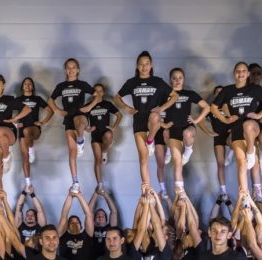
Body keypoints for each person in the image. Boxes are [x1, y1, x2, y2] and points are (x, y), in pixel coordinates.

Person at [210, 62, 262, 198]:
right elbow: (213, 107)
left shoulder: (254, 89)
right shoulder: (227, 90)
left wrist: (259, 115)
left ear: (248, 73)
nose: (241, 73)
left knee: (248, 126)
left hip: (252, 127)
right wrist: (225, 119)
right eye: (238, 71)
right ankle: (244, 196)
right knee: (241, 163)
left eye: (244, 71)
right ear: (234, 73)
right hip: (237, 129)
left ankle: (251, 153)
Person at [115, 51, 178, 188]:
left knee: (155, 116)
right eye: (141, 64)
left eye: (147, 64)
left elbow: (175, 96)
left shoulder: (157, 81)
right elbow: (117, 97)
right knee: (143, 159)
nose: (144, 67)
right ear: (137, 66)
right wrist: (127, 108)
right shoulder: (132, 82)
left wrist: (161, 108)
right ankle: (147, 190)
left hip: (152, 120)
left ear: (151, 65)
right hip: (139, 121)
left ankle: (150, 140)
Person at [160, 68, 211, 193]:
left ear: (184, 79)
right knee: (177, 162)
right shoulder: (164, 95)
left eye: (180, 78)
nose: (177, 80)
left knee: (187, 134)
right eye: (174, 78)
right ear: (170, 80)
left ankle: (188, 150)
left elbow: (207, 107)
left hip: (187, 126)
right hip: (173, 130)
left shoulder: (189, 94)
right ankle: (180, 191)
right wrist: (163, 123)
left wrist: (196, 120)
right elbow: (156, 112)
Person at [48, 58, 94, 192]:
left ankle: (80, 140)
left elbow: (98, 96)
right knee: (72, 152)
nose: (71, 69)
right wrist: (57, 110)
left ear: (78, 70)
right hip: (68, 118)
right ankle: (75, 182)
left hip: (80, 115)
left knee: (79, 123)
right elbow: (50, 100)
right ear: (65, 70)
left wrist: (89, 106)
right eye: (68, 67)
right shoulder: (61, 86)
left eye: (74, 67)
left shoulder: (82, 84)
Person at [16, 77, 54, 191]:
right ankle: (28, 183)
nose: (27, 85)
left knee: (27, 131)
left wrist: (42, 122)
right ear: (22, 87)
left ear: (32, 86)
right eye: (25, 84)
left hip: (34, 129)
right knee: (25, 157)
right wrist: (15, 124)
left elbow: (51, 111)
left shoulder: (37, 99)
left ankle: (31, 148)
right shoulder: (18, 100)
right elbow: (8, 114)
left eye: (29, 84)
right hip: (22, 129)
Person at [82, 84, 122, 189]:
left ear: (103, 93)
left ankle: (105, 151)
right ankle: (100, 184)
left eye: (100, 91)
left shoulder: (107, 104)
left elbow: (119, 115)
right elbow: (82, 119)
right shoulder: (89, 105)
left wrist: (114, 127)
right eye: (96, 91)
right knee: (98, 160)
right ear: (93, 93)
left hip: (105, 132)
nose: (98, 93)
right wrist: (87, 129)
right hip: (95, 135)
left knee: (109, 134)